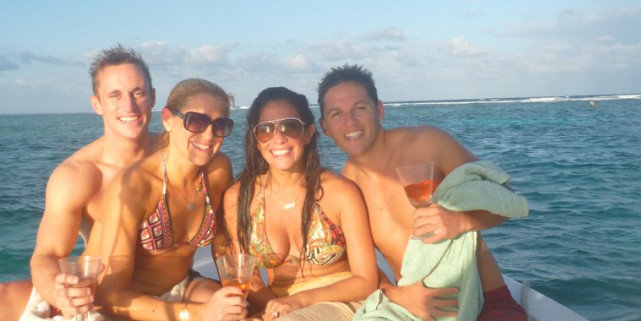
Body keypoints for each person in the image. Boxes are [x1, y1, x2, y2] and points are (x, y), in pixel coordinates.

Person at [0, 45, 159, 321]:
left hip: (155, 290)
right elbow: (47, 256)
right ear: (97, 104)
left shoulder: (174, 155)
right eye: (115, 95)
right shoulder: (77, 175)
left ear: (153, 97)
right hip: (96, 293)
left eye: (138, 92)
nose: (129, 106)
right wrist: (59, 292)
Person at [316, 64, 528, 321]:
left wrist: (461, 221)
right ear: (325, 126)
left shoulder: (427, 143)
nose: (350, 122)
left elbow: (504, 198)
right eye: (336, 114)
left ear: (379, 110)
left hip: (484, 299)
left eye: (360, 108)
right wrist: (397, 294)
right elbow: (362, 271)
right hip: (412, 309)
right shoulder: (344, 189)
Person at [84, 78, 245, 320]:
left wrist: (233, 291)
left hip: (182, 287)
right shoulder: (135, 186)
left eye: (220, 125)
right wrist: (198, 313)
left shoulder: (218, 170)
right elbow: (109, 296)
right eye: (197, 121)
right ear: (168, 119)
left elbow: (221, 241)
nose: (209, 134)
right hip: (128, 304)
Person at [221, 87, 378, 321]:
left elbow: (366, 280)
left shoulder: (340, 193)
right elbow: (250, 280)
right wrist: (273, 309)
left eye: (289, 126)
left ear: (308, 133)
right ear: (256, 140)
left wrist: (299, 302)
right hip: (279, 306)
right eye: (265, 129)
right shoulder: (239, 198)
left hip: (342, 301)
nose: (278, 137)